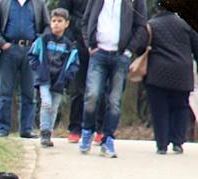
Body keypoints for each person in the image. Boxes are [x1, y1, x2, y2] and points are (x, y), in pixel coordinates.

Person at [78, 0, 150, 157]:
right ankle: (87, 130)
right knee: (92, 95)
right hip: (99, 53)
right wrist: (89, 44)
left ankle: (108, 137)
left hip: (120, 55)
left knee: (114, 101)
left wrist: (129, 50)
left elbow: (141, 26)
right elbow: (86, 20)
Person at [0, 0, 52, 138]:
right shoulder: (4, 2)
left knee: (29, 93)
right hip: (8, 50)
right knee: (5, 92)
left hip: (30, 50)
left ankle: (26, 129)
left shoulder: (38, 3)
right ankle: (2, 129)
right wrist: (2, 44)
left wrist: (39, 41)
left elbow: (47, 27)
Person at [143, 4, 198, 154]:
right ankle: (178, 142)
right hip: (182, 73)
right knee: (180, 107)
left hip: (158, 74)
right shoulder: (186, 25)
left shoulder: (152, 25)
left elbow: (141, 47)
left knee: (159, 109)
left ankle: (162, 144)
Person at [29, 8, 81, 147]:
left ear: (66, 23)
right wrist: (39, 70)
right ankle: (44, 132)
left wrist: (67, 76)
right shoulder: (43, 40)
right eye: (53, 21)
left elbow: (74, 64)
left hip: (59, 82)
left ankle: (49, 133)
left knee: (54, 107)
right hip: (44, 79)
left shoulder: (69, 45)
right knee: (46, 103)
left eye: (59, 21)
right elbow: (32, 55)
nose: (56, 24)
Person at [60, 0, 106, 143]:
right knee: (78, 89)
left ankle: (100, 129)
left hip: (101, 44)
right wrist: (71, 40)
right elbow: (63, 12)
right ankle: (75, 128)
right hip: (78, 44)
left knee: (101, 88)